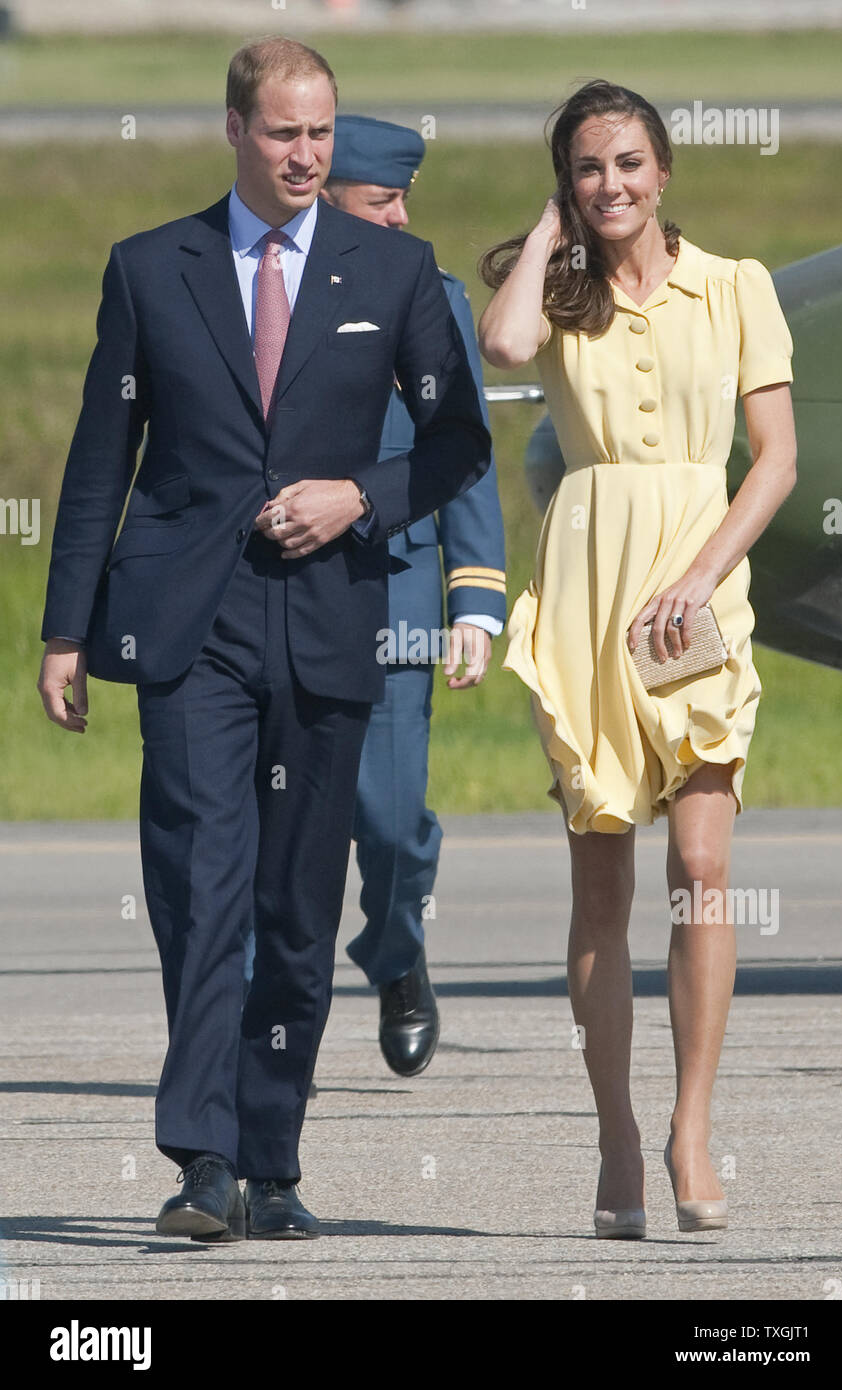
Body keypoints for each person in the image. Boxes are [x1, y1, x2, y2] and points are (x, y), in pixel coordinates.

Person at [37, 36, 489, 1243]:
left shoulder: (392, 271)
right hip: (192, 627)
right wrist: (64, 628)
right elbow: (98, 465)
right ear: (234, 129)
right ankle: (200, 1158)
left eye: (321, 134)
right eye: (285, 133)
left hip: (331, 616)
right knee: (202, 885)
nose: (306, 155)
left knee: (295, 906)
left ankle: (271, 1158)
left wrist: (362, 496)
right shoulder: (150, 268)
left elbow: (456, 448)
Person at [478, 80, 795, 1238]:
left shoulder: (737, 288)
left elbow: (771, 459)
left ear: (663, 170)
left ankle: (689, 1126)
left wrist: (699, 575)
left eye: (626, 164)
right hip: (586, 594)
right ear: (564, 184)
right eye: (584, 170)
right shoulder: (554, 297)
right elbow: (500, 342)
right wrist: (554, 233)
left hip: (695, 588)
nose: (609, 184)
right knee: (600, 882)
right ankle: (614, 1133)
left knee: (702, 865)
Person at [321, 115, 506, 1076]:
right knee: (284, 816)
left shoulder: (432, 294)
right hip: (287, 586)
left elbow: (463, 453)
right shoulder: (264, 292)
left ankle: (397, 955)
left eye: (404, 198)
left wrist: (474, 596)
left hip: (395, 591)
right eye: (381, 199)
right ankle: (268, 1024)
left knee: (390, 819)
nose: (402, 216)